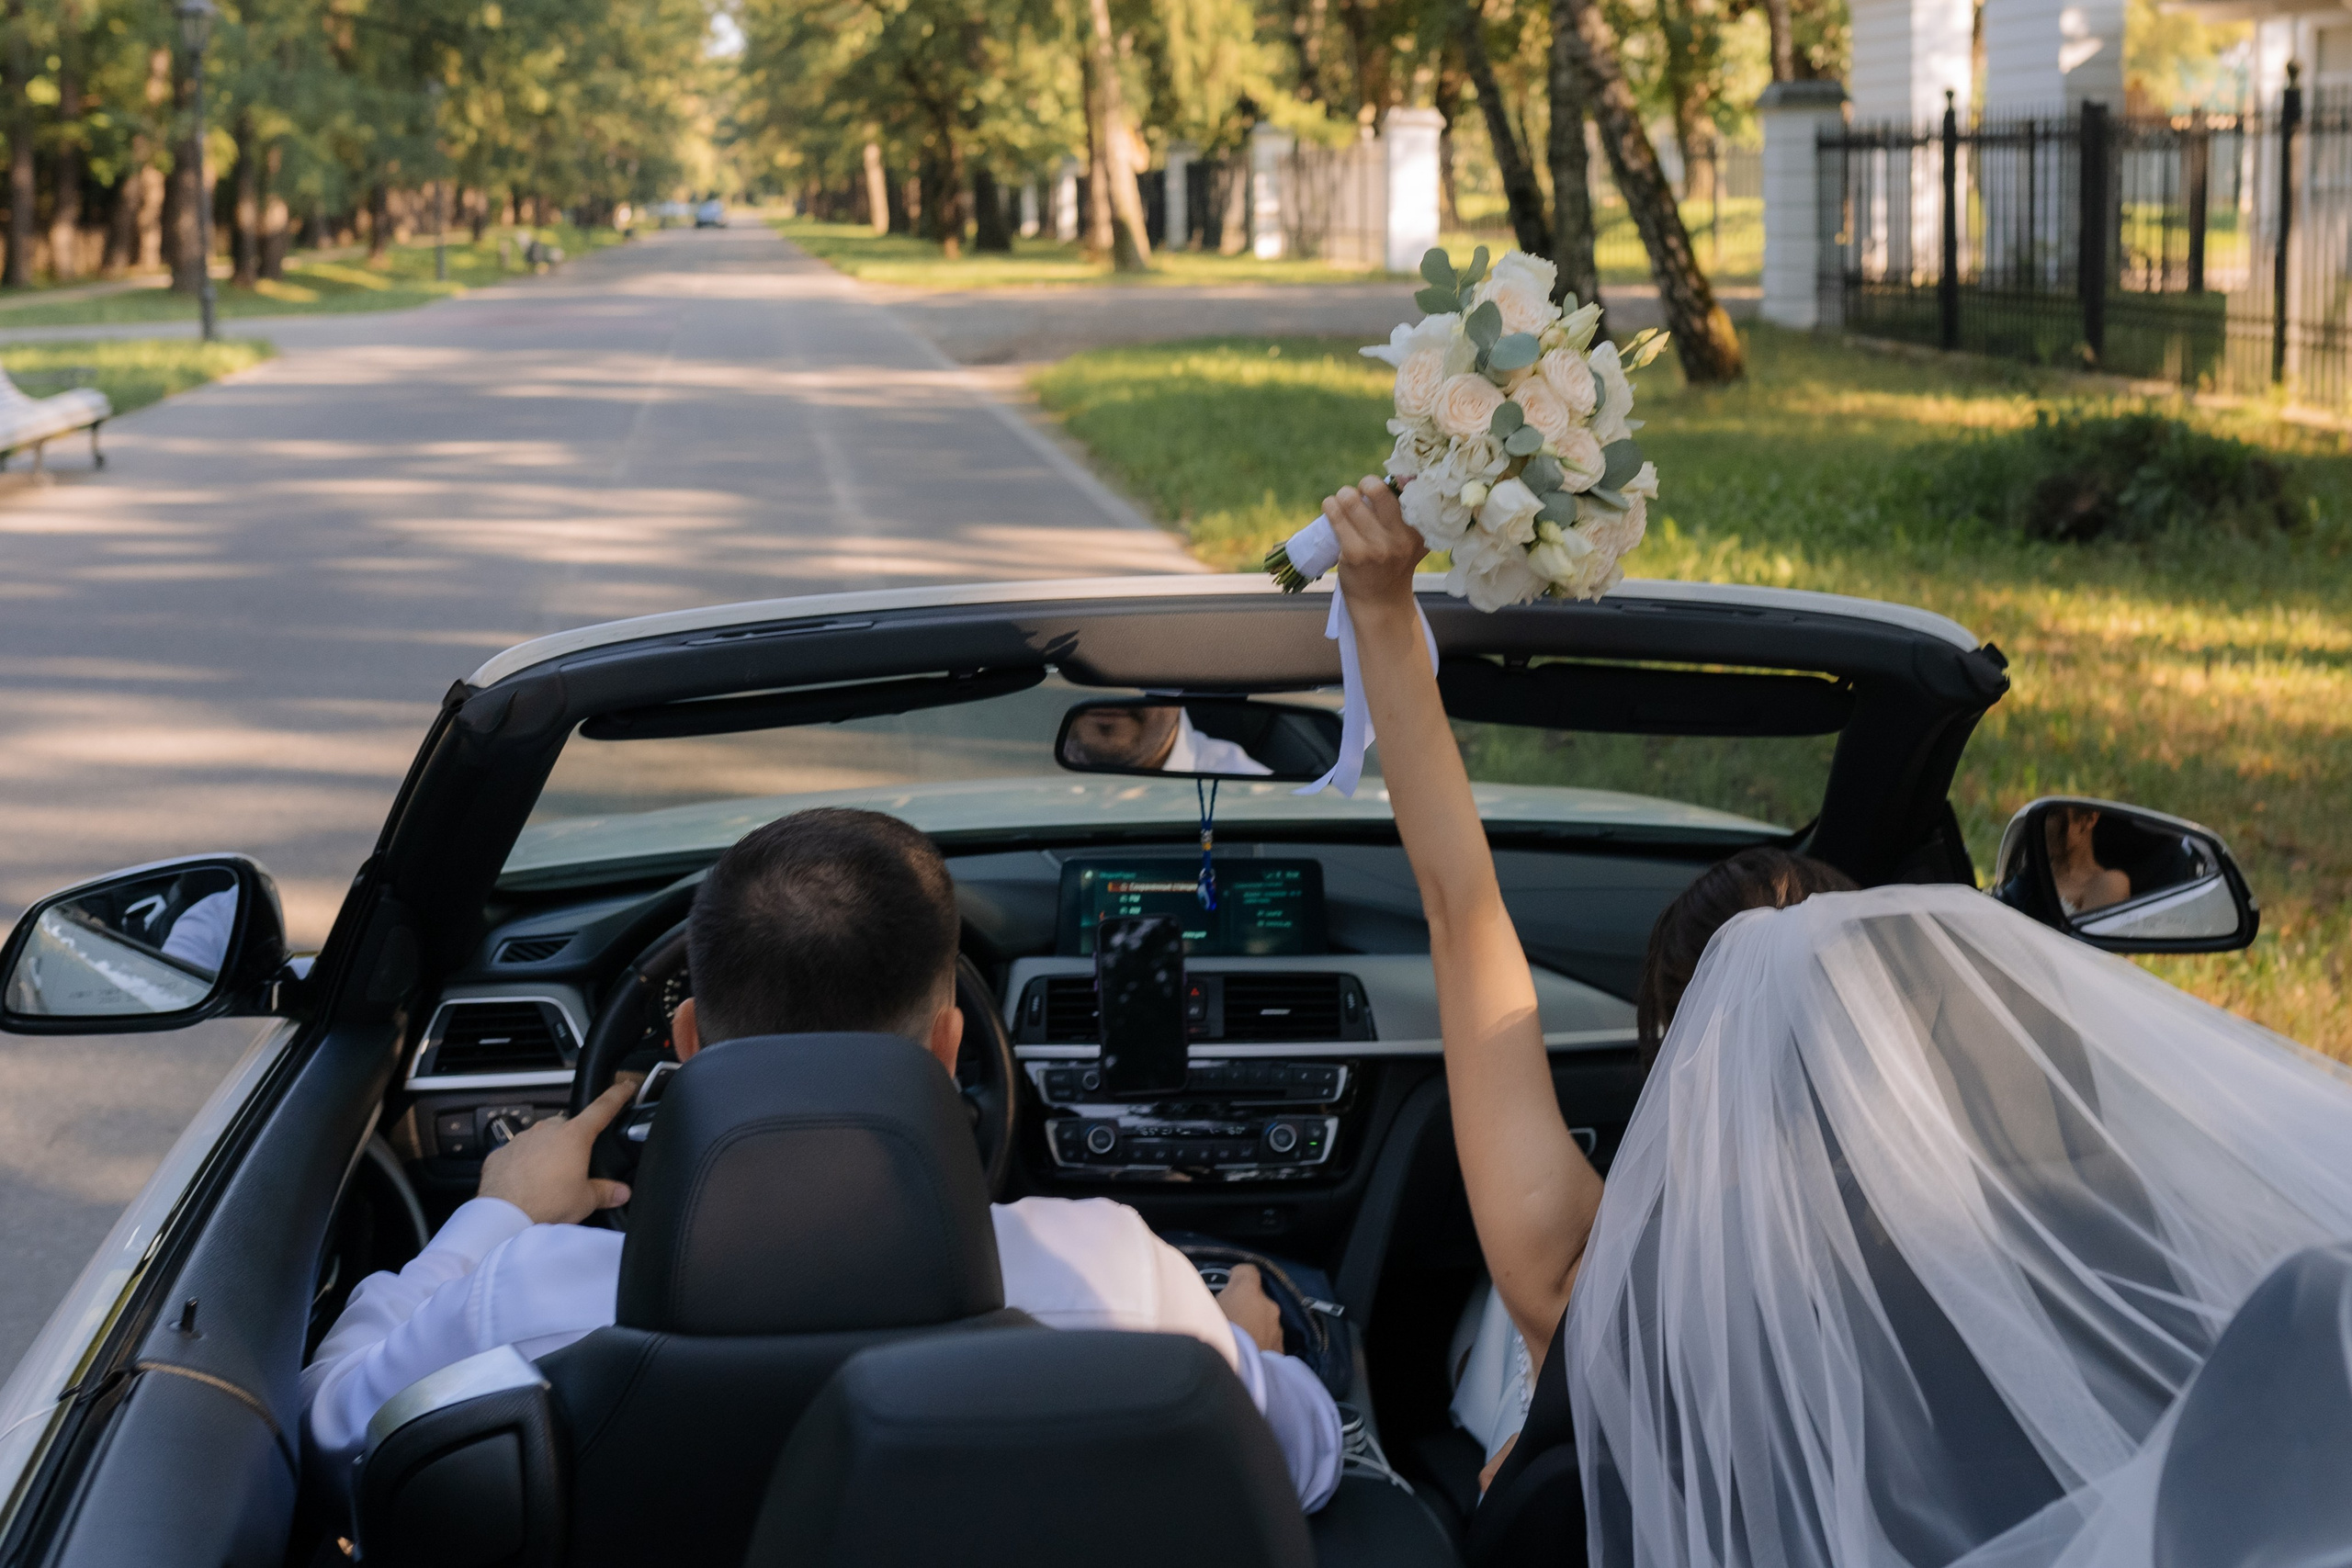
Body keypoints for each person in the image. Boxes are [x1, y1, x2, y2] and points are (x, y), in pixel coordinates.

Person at [1319, 473, 2352, 1567]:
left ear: (1675, 1081)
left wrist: (1383, 607)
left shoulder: (1591, 1294)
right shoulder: (2079, 1301)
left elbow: (1459, 906)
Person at [304, 807, 1340, 1511]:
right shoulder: (1114, 1282)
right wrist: (1250, 1348)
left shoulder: (517, 1306)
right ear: (948, 1048)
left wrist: (495, 1217)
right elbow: (1307, 1465)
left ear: (688, 1043)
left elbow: (328, 1422)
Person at [1064, 704, 1272, 775]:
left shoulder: (1260, 801)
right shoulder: (1032, 790)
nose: (1106, 686)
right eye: (1079, 670)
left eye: (1138, 663)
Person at [2046, 803, 2131, 914]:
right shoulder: (2033, 865)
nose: (2046, 824)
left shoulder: (2109, 884)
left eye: (2054, 813)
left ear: (2090, 819)